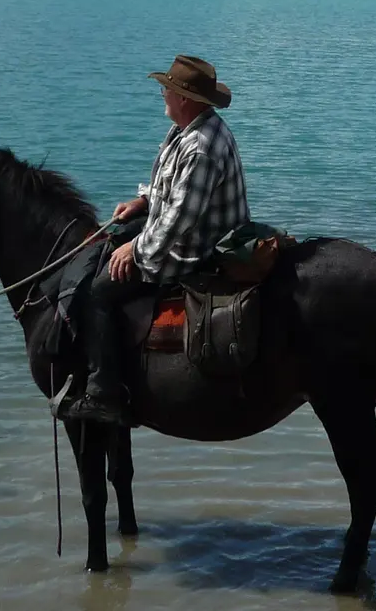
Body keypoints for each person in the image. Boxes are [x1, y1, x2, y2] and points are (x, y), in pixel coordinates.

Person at [56, 54, 251, 424]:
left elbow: (179, 220)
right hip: (186, 229)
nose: (163, 94)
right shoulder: (189, 128)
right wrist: (143, 201)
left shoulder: (200, 148)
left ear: (185, 98)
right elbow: (172, 191)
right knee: (106, 247)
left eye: (168, 89)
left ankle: (104, 393)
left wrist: (136, 248)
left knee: (100, 291)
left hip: (195, 249)